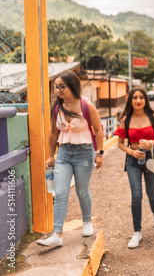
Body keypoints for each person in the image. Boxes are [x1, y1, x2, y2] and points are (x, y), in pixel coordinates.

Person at [37, 71, 104, 247]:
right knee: (60, 193)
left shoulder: (86, 106)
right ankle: (57, 234)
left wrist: (99, 153)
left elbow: (98, 130)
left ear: (72, 86)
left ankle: (87, 222)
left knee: (82, 191)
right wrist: (50, 155)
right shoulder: (56, 108)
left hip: (84, 152)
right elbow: (53, 132)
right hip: (64, 153)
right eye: (56, 87)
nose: (58, 90)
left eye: (62, 86)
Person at [114, 87, 154, 249]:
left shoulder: (153, 117)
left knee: (151, 192)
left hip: (152, 158)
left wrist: (150, 143)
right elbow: (120, 144)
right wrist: (132, 152)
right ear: (130, 100)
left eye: (141, 97)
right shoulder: (126, 120)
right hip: (132, 160)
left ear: (145, 100)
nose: (138, 100)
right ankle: (137, 232)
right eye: (134, 97)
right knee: (136, 195)